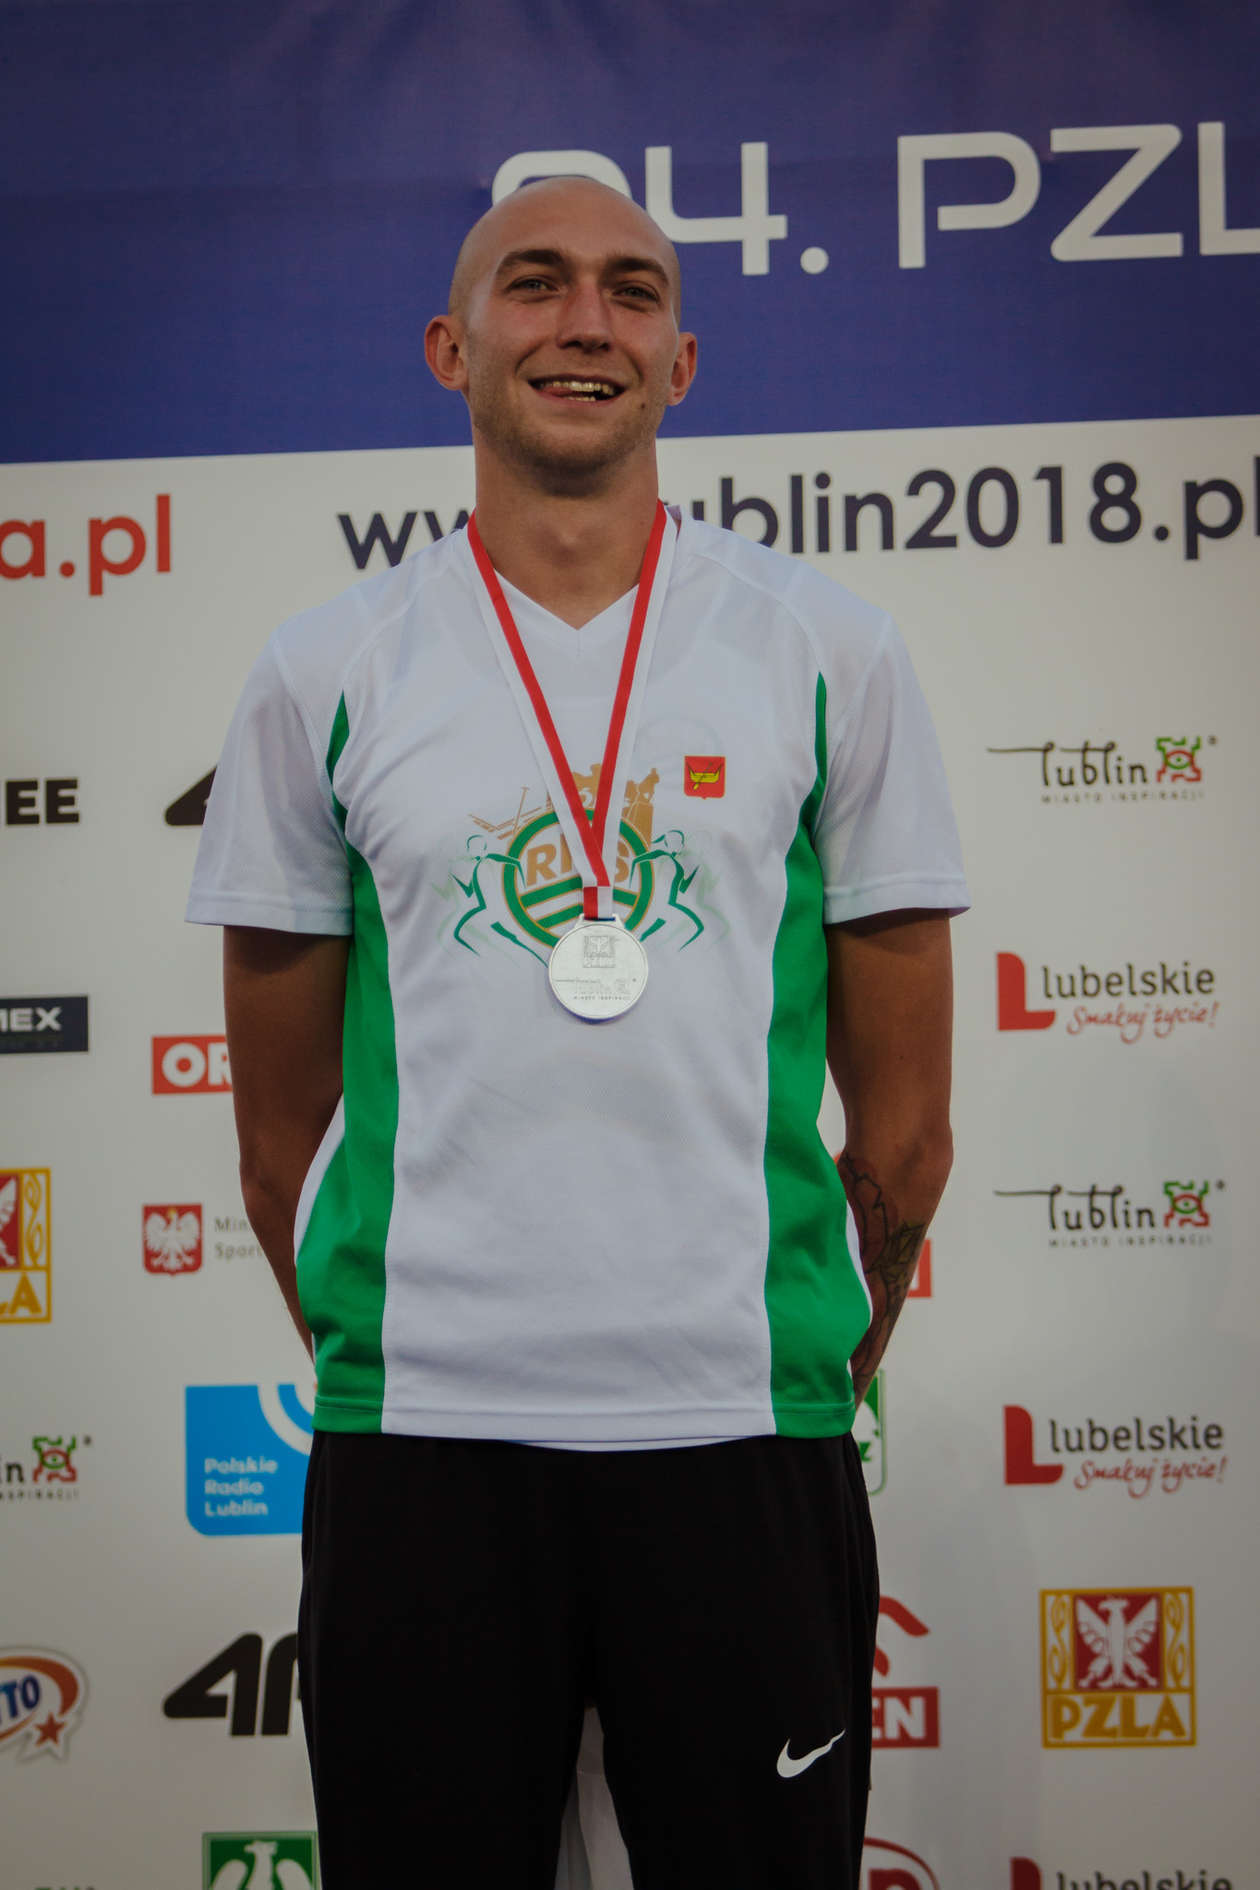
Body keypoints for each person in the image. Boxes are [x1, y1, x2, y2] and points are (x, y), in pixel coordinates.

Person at [187, 175, 969, 1890]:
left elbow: (908, 1136)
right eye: (533, 283)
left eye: (630, 289)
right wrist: (412, 1341)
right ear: (450, 346)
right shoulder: (325, 670)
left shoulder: (829, 650)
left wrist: (803, 1358)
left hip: (744, 1437)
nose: (584, 322)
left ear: (681, 360)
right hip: (423, 1446)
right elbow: (275, 1145)